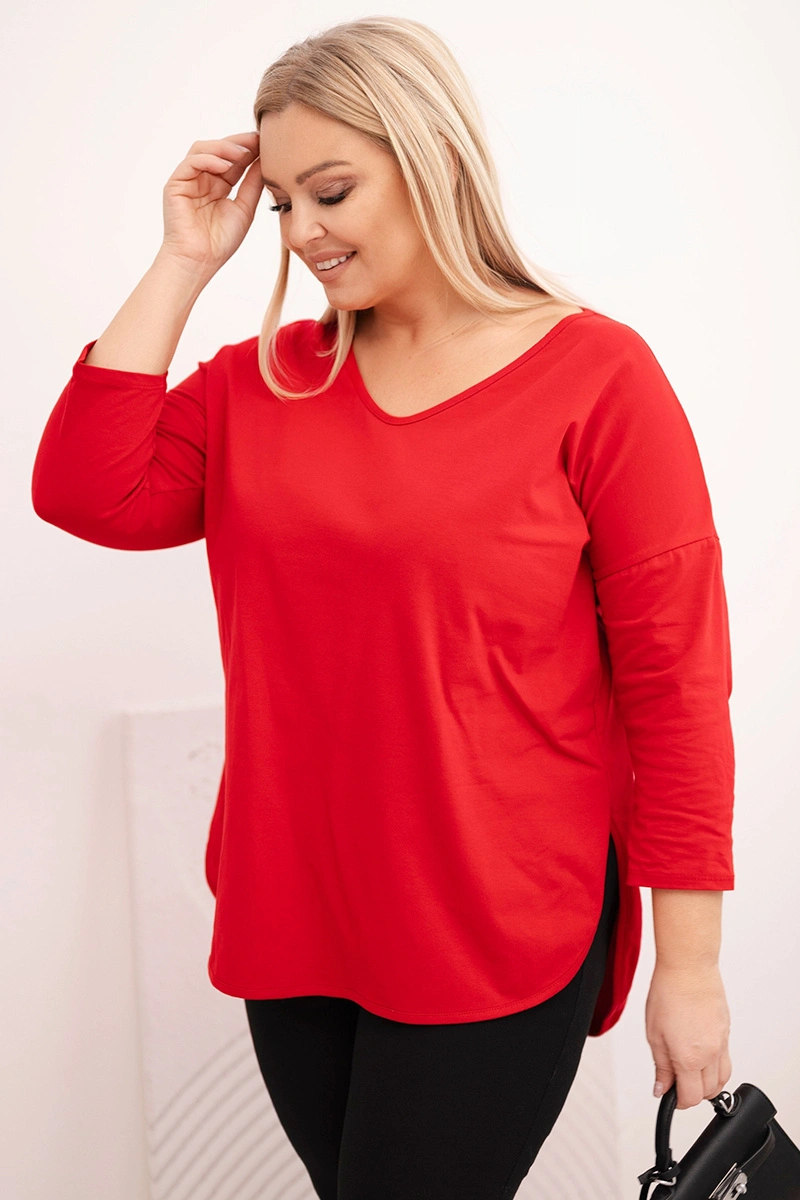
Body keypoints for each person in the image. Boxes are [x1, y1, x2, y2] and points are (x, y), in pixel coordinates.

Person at [31, 15, 735, 1200]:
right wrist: (183, 259)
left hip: (496, 925)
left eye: (331, 192)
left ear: (431, 159)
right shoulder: (263, 382)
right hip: (295, 919)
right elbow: (84, 491)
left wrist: (690, 967)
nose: (299, 232)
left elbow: (677, 688)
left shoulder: (598, 379)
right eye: (280, 204)